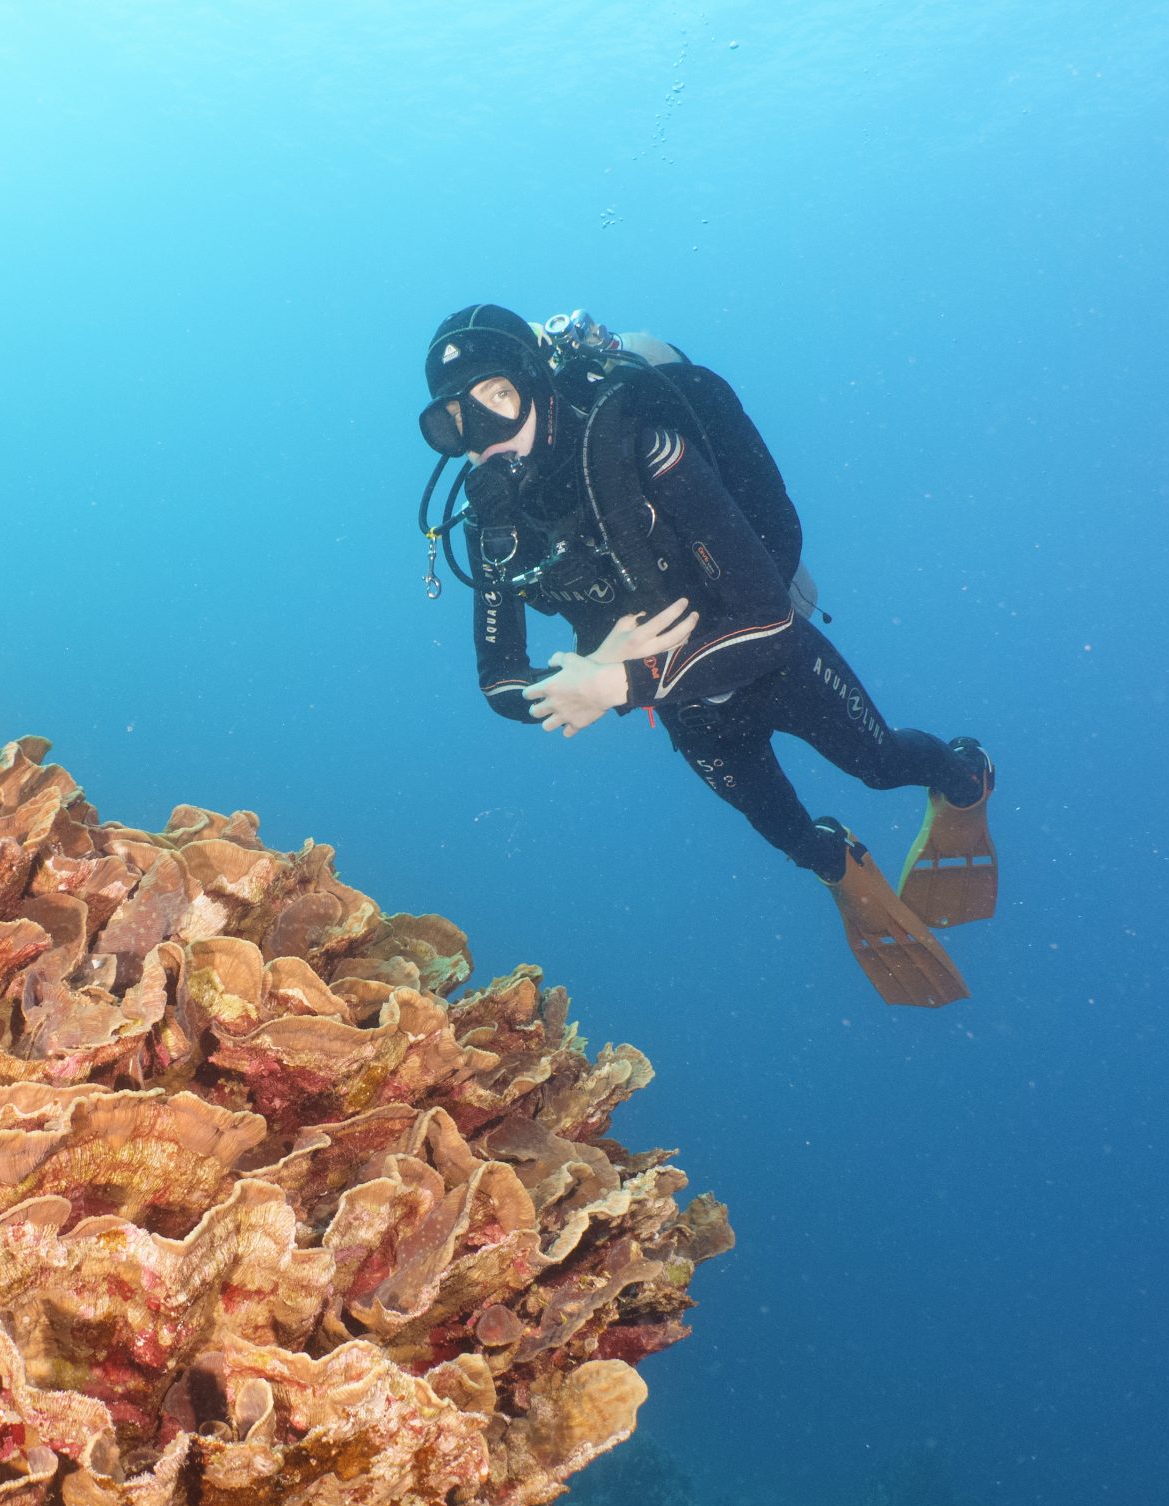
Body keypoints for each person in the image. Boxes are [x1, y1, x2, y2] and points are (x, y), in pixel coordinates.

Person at [416, 304, 997, 1006]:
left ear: (538, 385)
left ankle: (965, 779)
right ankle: (842, 864)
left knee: (881, 766)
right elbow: (498, 680)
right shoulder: (494, 529)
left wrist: (617, 683)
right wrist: (568, 682)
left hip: (775, 665)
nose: (481, 439)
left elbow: (772, 619)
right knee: (791, 837)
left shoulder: (644, 450)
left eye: (497, 401)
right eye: (454, 423)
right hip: (691, 713)